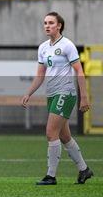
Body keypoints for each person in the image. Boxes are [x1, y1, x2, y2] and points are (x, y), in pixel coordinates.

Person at [22, 12, 93, 185]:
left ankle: (51, 176)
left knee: (50, 132)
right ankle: (84, 170)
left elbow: (80, 71)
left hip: (65, 92)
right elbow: (40, 75)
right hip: (52, 94)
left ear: (59, 25)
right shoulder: (43, 48)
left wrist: (84, 97)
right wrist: (28, 93)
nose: (47, 25)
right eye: (45, 22)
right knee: (64, 136)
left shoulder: (67, 45)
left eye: (51, 23)